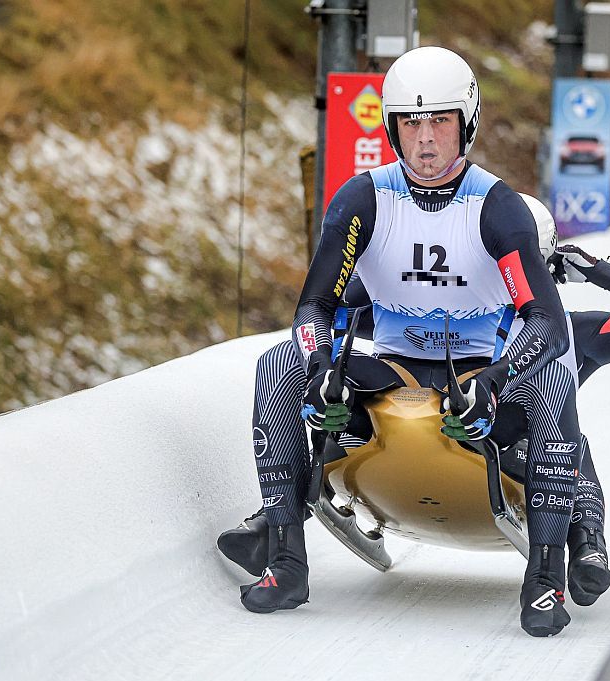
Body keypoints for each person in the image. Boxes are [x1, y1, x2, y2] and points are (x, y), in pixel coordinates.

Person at [235, 46, 579, 637]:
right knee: (278, 362)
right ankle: (285, 559)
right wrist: (320, 367)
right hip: (395, 368)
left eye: (439, 121)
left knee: (553, 374)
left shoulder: (498, 208)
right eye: (410, 123)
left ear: (467, 123)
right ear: (391, 128)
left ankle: (546, 578)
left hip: (479, 374)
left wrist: (497, 380)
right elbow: (315, 307)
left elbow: (545, 321)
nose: (424, 140)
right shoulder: (362, 199)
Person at [220, 197, 610, 609]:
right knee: (310, 375)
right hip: (398, 428)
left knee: (569, 436)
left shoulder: (573, 329)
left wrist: (596, 269)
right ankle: (279, 521)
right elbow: (327, 314)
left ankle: (584, 541)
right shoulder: (421, 309)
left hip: (508, 453)